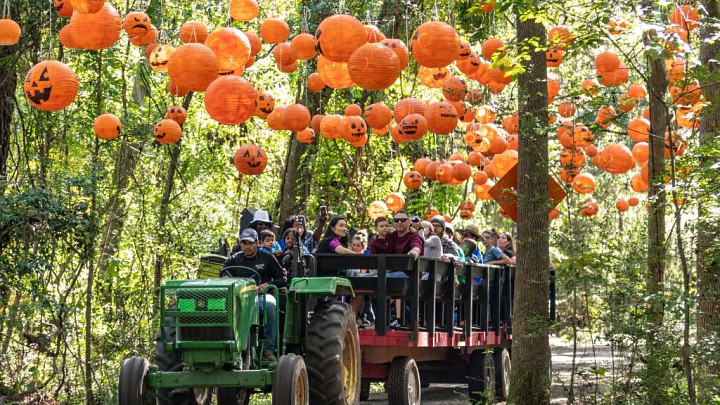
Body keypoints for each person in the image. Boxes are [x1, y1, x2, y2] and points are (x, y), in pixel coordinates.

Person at [222, 228, 287, 362]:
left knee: (270, 305)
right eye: (244, 243)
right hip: (238, 298)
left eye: (250, 243)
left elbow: (282, 279)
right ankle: (226, 344)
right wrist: (227, 278)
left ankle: (269, 348)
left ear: (257, 242)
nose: (247, 246)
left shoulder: (267, 257)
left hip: (260, 296)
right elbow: (224, 273)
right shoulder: (234, 258)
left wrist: (267, 284)